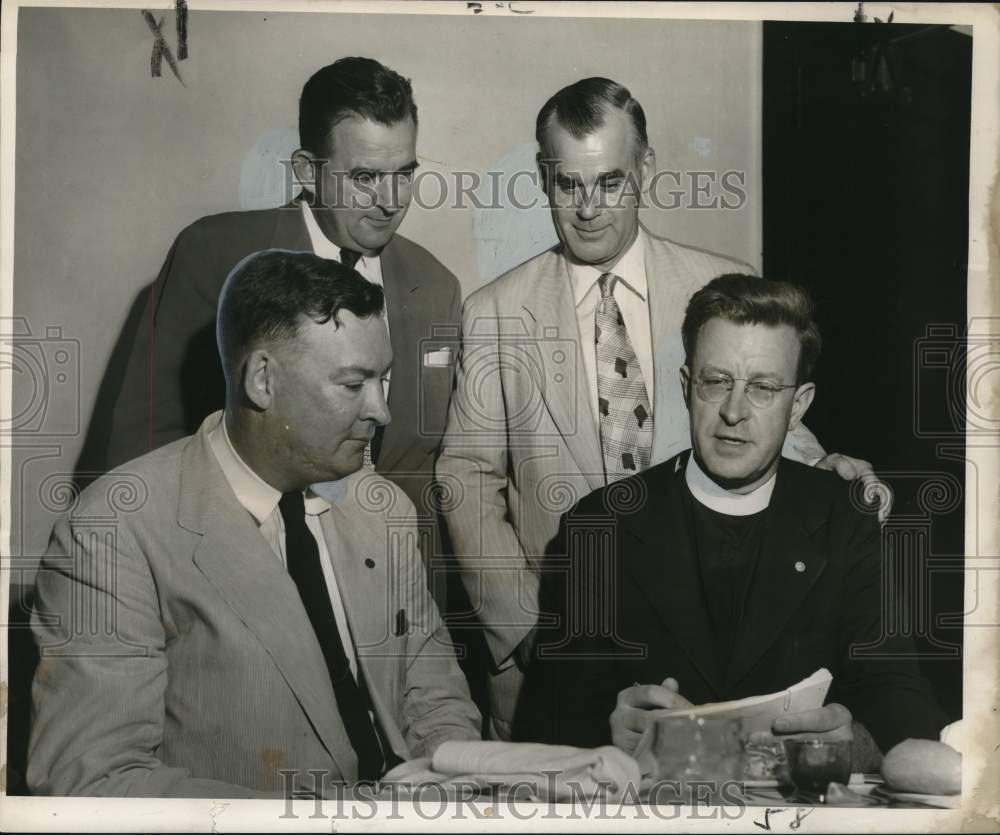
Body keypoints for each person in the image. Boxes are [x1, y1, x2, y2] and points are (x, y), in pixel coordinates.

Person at [436, 77, 880, 740]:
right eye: (567, 184)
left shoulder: (719, 284)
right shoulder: (494, 312)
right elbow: (464, 477)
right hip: (561, 662)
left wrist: (830, 467)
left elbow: (762, 411)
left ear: (646, 169)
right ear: (542, 177)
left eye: (610, 182)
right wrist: (533, 629)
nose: (587, 208)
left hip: (706, 654)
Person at [28, 251, 480, 797]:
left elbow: (433, 698)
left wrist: (443, 788)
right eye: (353, 384)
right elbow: (93, 782)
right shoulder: (113, 530)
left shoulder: (381, 506)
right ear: (262, 380)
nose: (382, 411)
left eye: (383, 380)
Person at [513, 274, 947, 761]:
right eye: (716, 382)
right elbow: (542, 732)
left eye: (763, 387)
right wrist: (604, 737)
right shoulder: (599, 528)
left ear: (798, 405)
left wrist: (855, 745)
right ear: (686, 387)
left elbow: (905, 705)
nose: (734, 412)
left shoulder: (845, 519)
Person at [91, 57, 461, 535]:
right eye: (365, 178)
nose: (392, 201)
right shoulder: (214, 253)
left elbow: (423, 468)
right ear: (307, 172)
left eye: (404, 174)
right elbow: (143, 441)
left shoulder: (435, 285)